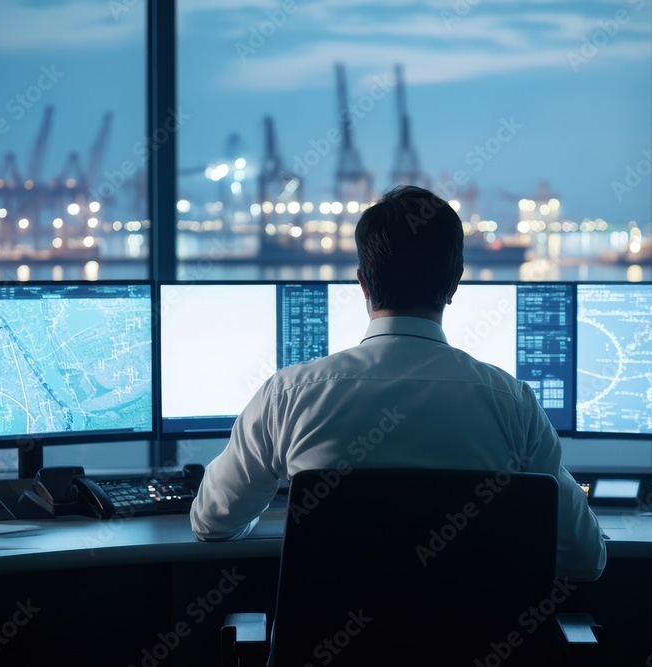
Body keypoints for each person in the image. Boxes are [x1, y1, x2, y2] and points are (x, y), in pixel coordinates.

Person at [190, 184, 606, 581]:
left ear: (364, 284)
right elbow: (584, 558)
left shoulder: (288, 396)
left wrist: (293, 525)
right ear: (454, 284)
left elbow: (212, 522)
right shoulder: (513, 405)